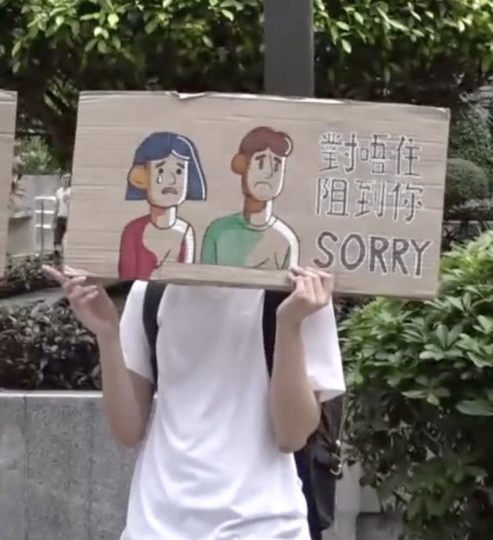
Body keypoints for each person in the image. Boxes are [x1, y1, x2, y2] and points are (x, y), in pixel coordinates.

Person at [44, 264, 345, 540]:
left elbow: (292, 435)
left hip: (262, 525)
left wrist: (289, 323)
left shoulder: (302, 291)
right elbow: (127, 429)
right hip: (156, 524)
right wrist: (107, 333)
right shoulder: (153, 289)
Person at [201, 126, 299, 270]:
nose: (269, 173)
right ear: (242, 165)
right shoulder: (218, 231)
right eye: (260, 162)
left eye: (277, 165)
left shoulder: (286, 240)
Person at [118, 132, 208, 279]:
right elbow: (126, 278)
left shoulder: (185, 232)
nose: (171, 180)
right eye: (160, 170)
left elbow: (184, 278)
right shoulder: (132, 231)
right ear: (142, 177)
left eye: (179, 171)